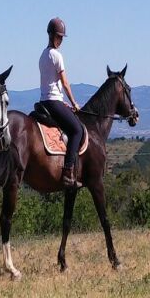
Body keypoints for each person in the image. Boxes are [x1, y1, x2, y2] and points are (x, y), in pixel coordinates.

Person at [39, 17, 83, 187]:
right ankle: (67, 172)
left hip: (44, 100)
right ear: (53, 36)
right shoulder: (57, 55)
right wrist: (74, 103)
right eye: (60, 37)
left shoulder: (43, 55)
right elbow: (64, 82)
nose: (61, 40)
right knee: (77, 130)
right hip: (53, 101)